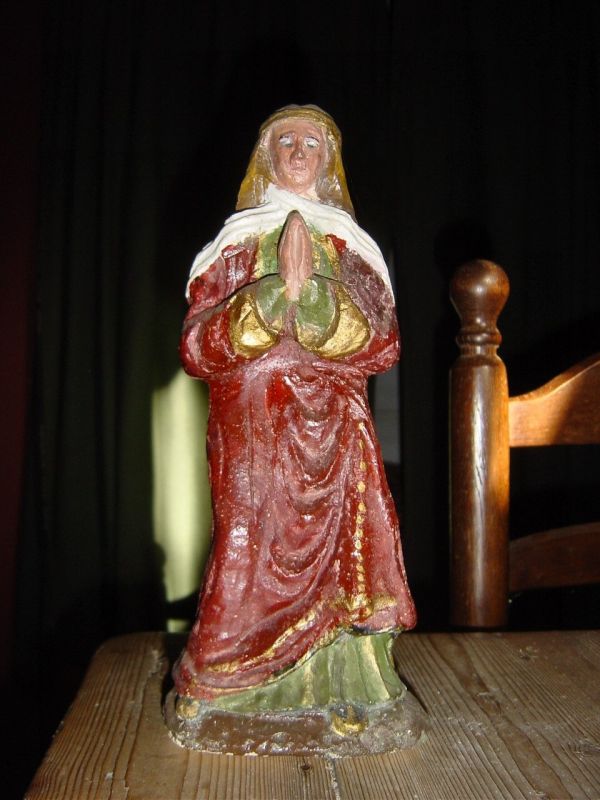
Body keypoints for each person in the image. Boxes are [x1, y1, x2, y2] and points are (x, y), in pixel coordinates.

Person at [171, 105, 416, 731]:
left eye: (312, 142)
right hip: (254, 423)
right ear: (267, 156)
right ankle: (221, 678)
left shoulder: (349, 244)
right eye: (287, 141)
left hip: (335, 422)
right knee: (246, 541)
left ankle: (346, 681)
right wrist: (269, 298)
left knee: (344, 549)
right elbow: (196, 346)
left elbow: (384, 342)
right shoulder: (235, 242)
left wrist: (318, 304)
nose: (300, 151)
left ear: (328, 161)